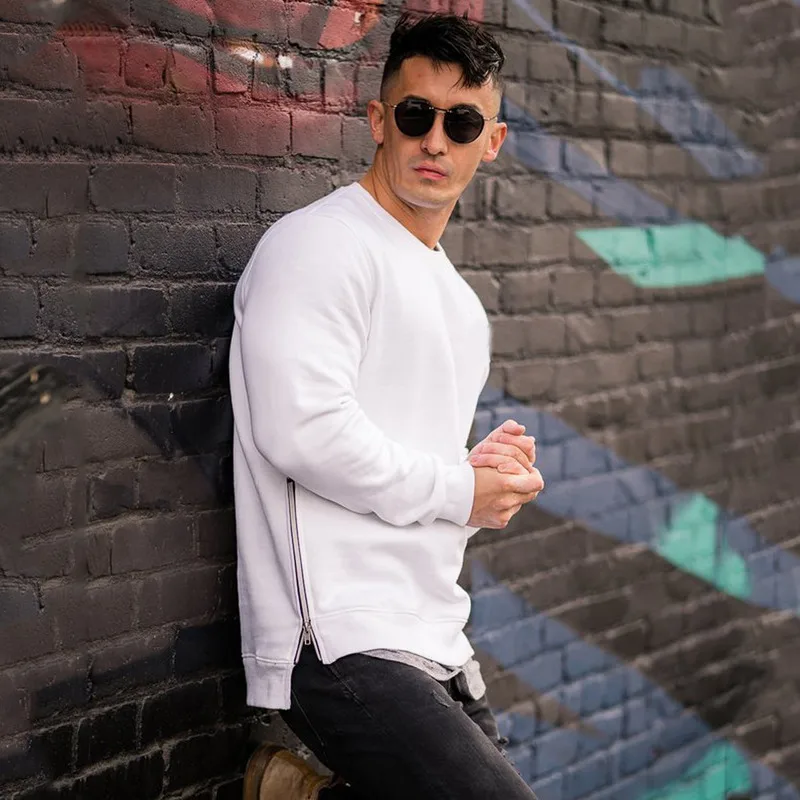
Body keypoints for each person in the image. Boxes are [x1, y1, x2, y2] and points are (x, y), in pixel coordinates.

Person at [228, 12, 545, 799]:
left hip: (436, 635)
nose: (435, 141)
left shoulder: (462, 306)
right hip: (338, 640)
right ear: (378, 121)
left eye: (461, 122)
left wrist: (480, 486)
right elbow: (302, 432)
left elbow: (415, 481)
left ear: (491, 142)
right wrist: (458, 489)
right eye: (415, 115)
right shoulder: (319, 246)